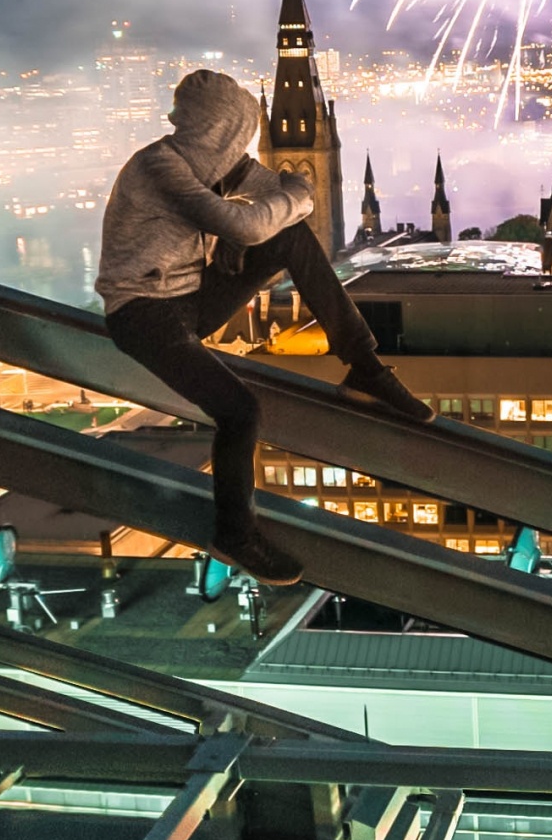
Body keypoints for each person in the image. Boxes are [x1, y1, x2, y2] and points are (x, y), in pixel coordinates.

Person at [97, 68, 429, 585]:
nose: (242, 147)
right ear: (219, 128)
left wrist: (277, 206)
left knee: (292, 238)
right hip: (144, 314)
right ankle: (234, 533)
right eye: (238, 132)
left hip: (190, 299)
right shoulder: (160, 167)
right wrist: (269, 210)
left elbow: (290, 201)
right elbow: (252, 219)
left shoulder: (221, 166)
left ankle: (365, 366)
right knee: (240, 410)